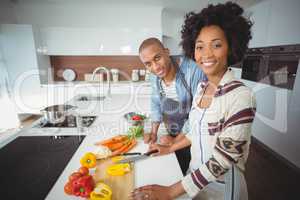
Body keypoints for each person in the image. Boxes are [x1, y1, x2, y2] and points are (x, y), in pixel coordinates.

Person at [131, 2, 255, 200]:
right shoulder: (201, 89)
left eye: (216, 45)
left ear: (231, 46)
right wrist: (169, 147)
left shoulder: (241, 96)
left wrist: (172, 190)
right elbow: (193, 126)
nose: (206, 54)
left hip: (222, 188)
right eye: (199, 46)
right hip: (192, 180)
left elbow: (223, 161)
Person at [139, 37, 206, 174]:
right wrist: (153, 132)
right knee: (173, 167)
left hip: (193, 133)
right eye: (148, 64)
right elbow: (155, 102)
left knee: (190, 170)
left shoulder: (192, 71)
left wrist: (176, 141)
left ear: (167, 52)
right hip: (173, 130)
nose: (155, 67)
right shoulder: (154, 74)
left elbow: (197, 114)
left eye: (157, 58)